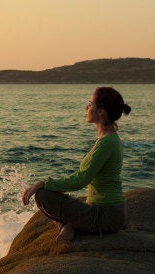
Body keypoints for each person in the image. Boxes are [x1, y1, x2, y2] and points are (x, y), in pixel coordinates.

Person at [22, 87, 132, 242]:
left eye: (90, 104)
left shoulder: (108, 142)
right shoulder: (108, 139)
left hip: (106, 216)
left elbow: (80, 180)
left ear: (101, 111)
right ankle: (71, 225)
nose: (86, 108)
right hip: (101, 209)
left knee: (43, 195)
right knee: (58, 197)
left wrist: (43, 183)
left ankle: (68, 226)